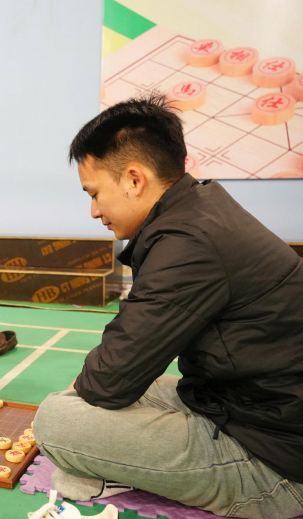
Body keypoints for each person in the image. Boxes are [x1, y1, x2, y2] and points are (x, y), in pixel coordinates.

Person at [34, 94, 303, 519]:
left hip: (277, 462)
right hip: (247, 406)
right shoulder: (200, 211)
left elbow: (110, 379)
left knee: (55, 420)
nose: (94, 211)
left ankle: (113, 471)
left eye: (95, 193)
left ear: (134, 179)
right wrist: (90, 388)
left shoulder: (188, 244)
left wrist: (85, 396)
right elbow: (126, 358)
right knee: (125, 392)